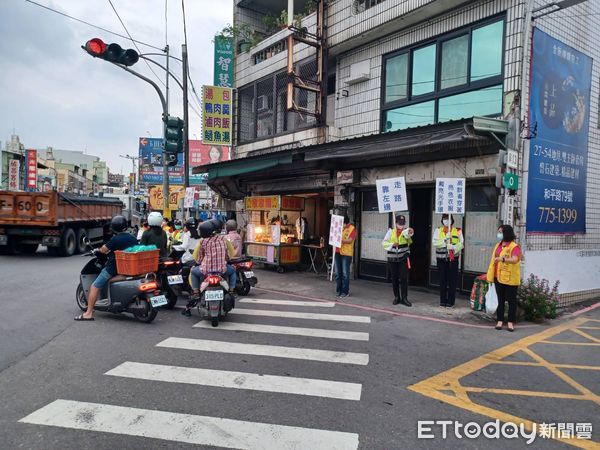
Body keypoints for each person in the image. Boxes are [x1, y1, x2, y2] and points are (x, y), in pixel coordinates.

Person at [74, 215, 138, 321]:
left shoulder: (115, 240)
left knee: (94, 286)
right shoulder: (133, 238)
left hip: (113, 269)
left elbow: (104, 250)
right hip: (128, 268)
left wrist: (98, 249)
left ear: (114, 227)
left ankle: (88, 313)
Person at [181, 221, 236, 317]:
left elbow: (198, 258)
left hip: (205, 270)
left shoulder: (202, 242)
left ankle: (196, 292)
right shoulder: (223, 240)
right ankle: (231, 290)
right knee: (232, 272)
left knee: (194, 272)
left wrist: (198, 262)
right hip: (221, 270)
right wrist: (225, 260)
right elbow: (229, 256)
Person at [487, 224, 522, 332]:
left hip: (510, 278)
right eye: (498, 232)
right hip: (498, 276)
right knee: (500, 300)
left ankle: (511, 322)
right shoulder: (498, 245)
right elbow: (493, 260)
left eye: (501, 232)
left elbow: (515, 259)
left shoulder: (514, 246)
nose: (499, 234)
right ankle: (500, 320)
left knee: (511, 301)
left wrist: (503, 259)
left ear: (507, 233)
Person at [432, 214, 464, 308]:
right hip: (441, 259)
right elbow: (435, 243)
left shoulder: (458, 230)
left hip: (453, 259)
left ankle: (451, 302)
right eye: (444, 219)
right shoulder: (438, 230)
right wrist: (445, 241)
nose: (446, 220)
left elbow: (461, 243)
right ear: (442, 220)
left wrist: (453, 247)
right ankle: (442, 301)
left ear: (452, 220)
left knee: (452, 281)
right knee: (442, 280)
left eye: (448, 219)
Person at [382, 214, 414, 306]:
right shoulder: (391, 232)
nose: (401, 225)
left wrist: (409, 232)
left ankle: (404, 298)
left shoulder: (406, 232)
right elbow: (384, 243)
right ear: (395, 223)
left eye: (403, 223)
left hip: (403, 258)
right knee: (394, 278)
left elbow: (409, 239)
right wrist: (392, 244)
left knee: (404, 278)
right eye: (399, 223)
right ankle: (397, 297)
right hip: (392, 259)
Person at [335, 215, 357, 299]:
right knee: (337, 273)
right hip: (337, 252)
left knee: (345, 274)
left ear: (345, 222)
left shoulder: (352, 228)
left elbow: (350, 240)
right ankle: (338, 290)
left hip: (346, 254)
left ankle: (345, 291)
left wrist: (339, 239)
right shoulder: (338, 227)